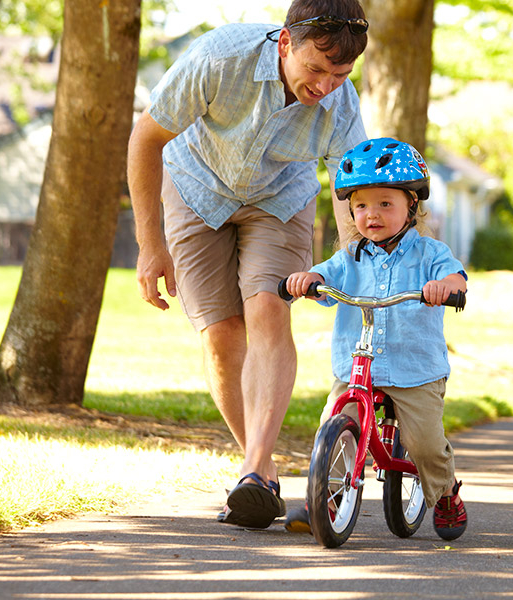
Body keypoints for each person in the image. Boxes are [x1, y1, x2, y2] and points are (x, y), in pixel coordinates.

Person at [126, 0, 370, 529]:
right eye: (316, 69)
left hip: (280, 198)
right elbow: (146, 138)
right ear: (285, 42)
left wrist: (359, 257)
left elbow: (354, 186)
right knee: (221, 334)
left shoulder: (340, 102)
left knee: (266, 309)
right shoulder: (220, 57)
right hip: (195, 187)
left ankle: (255, 472)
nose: (327, 86)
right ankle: (260, 467)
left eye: (341, 74)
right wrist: (150, 243)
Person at [283, 137, 469, 541]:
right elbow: (324, 275)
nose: (373, 214)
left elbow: (456, 277)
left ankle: (446, 491)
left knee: (424, 445)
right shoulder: (348, 256)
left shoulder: (429, 253)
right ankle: (327, 499)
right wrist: (308, 280)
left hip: (414, 370)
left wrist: (446, 286)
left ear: (411, 207)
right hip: (356, 368)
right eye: (362, 205)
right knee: (334, 425)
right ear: (351, 210)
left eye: (386, 203)